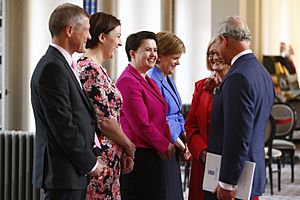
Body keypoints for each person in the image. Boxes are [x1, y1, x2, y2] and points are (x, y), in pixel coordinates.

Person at [31, 3, 105, 200]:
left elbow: (79, 116)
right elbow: (63, 125)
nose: (89, 37)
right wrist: (90, 163)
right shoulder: (52, 68)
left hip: (70, 172)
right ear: (69, 30)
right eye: (87, 30)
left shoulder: (62, 64)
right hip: (62, 172)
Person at [205, 16, 275, 200]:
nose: (218, 52)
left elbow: (238, 135)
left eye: (218, 45)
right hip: (253, 168)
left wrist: (227, 182)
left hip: (237, 178)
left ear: (224, 40)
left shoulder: (238, 77)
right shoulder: (262, 72)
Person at [76, 12, 135, 199]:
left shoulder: (98, 68)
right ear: (102, 37)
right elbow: (105, 120)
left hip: (110, 157)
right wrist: (128, 145)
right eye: (117, 36)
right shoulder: (89, 69)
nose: (119, 43)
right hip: (100, 158)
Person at [116, 31, 175, 200]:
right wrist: (165, 145)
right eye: (148, 50)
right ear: (132, 53)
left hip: (152, 151)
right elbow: (141, 124)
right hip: (140, 155)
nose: (153, 55)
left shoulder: (146, 79)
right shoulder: (128, 81)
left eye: (155, 50)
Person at [185, 37, 230, 200]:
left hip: (231, 159)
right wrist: (203, 152)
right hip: (204, 161)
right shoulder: (201, 86)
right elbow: (190, 126)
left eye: (218, 53)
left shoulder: (239, 84)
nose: (214, 57)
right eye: (211, 53)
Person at [147, 31, 189, 200]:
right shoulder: (152, 80)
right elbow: (161, 119)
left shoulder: (167, 79)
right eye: (175, 58)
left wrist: (187, 138)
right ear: (160, 57)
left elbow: (177, 113)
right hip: (163, 147)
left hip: (175, 144)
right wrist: (182, 145)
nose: (178, 63)